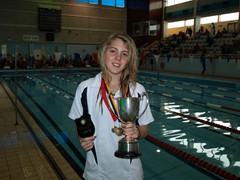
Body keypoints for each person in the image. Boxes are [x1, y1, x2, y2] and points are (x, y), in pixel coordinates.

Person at [69, 32, 154, 180]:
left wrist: (137, 132)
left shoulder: (137, 90)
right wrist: (82, 138)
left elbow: (145, 129)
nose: (118, 58)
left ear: (129, 60)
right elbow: (79, 125)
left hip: (130, 173)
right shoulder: (85, 89)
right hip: (96, 172)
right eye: (113, 51)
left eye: (124, 54)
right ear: (103, 52)